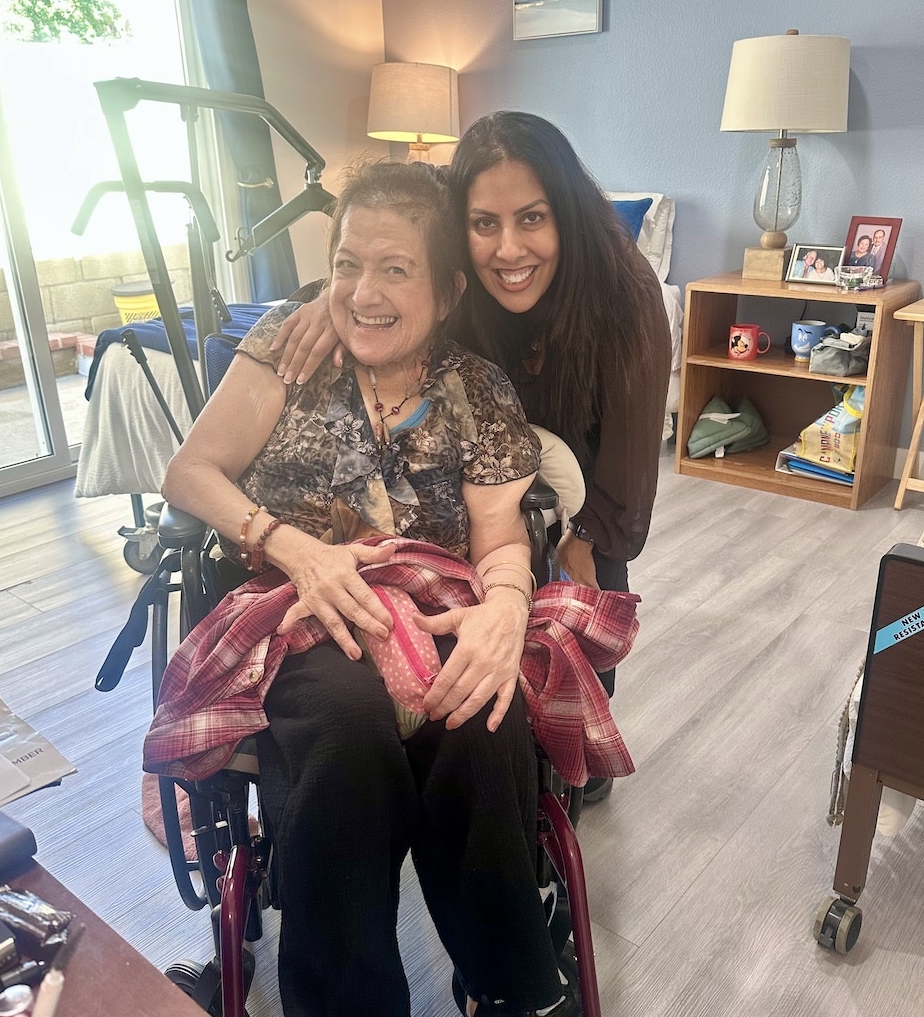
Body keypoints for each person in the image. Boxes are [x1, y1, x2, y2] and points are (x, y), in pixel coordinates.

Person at [158, 161, 580, 1017]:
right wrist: (291, 543)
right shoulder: (284, 352)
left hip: (431, 602)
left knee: (485, 717)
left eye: (395, 268)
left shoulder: (475, 389)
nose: (364, 291)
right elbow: (189, 471)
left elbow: (499, 538)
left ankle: (501, 1013)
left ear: (445, 289)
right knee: (343, 731)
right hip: (301, 612)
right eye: (346, 264)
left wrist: (501, 613)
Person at [273, 111, 673, 803]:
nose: (508, 248)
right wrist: (321, 302)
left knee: (581, 589)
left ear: (566, 216)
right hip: (481, 457)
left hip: (585, 465)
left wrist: (585, 539)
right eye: (484, 223)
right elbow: (388, 237)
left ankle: (573, 742)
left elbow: (631, 467)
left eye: (532, 219)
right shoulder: (453, 277)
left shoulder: (627, 295)